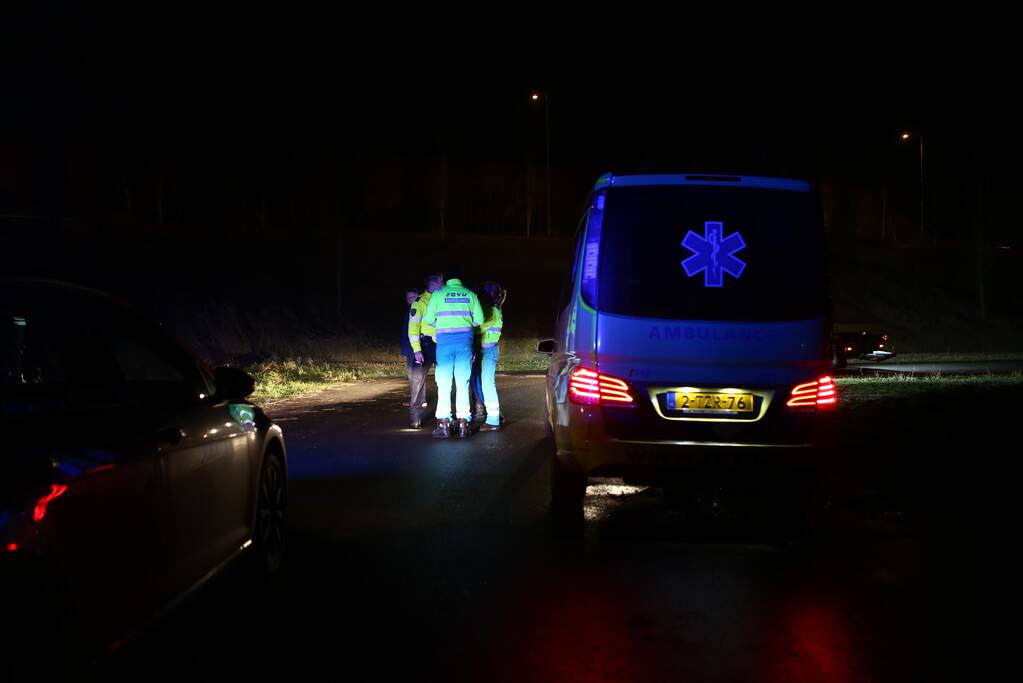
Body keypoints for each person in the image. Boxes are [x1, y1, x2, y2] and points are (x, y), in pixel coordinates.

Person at [421, 267, 484, 439]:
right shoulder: (470, 294)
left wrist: (442, 323)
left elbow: (428, 319)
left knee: (444, 383)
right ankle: (463, 424)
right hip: (464, 344)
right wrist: (465, 322)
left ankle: (444, 425)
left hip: (444, 345)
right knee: (463, 382)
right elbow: (480, 319)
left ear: (445, 279)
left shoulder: (438, 294)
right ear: (460, 279)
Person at [407, 273, 443, 429]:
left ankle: (443, 416)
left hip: (441, 343)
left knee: (444, 380)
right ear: (433, 284)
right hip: (425, 345)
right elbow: (413, 328)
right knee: (417, 381)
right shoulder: (420, 302)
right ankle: (415, 415)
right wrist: (417, 350)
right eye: (441, 282)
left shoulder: (442, 298)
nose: (443, 284)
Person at [471, 281, 505, 430]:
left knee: (487, 384)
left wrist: (466, 327)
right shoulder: (489, 308)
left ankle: (493, 420)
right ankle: (495, 417)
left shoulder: (494, 311)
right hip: (483, 351)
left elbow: (480, 328)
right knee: (480, 383)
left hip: (488, 352)